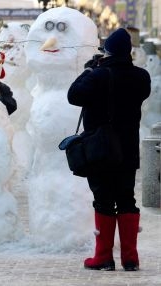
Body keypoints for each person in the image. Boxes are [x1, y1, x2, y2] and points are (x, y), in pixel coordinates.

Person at [67, 28, 151, 271]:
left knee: (103, 200)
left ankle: (103, 257)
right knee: (127, 199)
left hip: (100, 149)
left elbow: (74, 96)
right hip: (127, 151)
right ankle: (130, 258)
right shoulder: (141, 77)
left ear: (107, 51)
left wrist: (89, 70)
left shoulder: (97, 75)